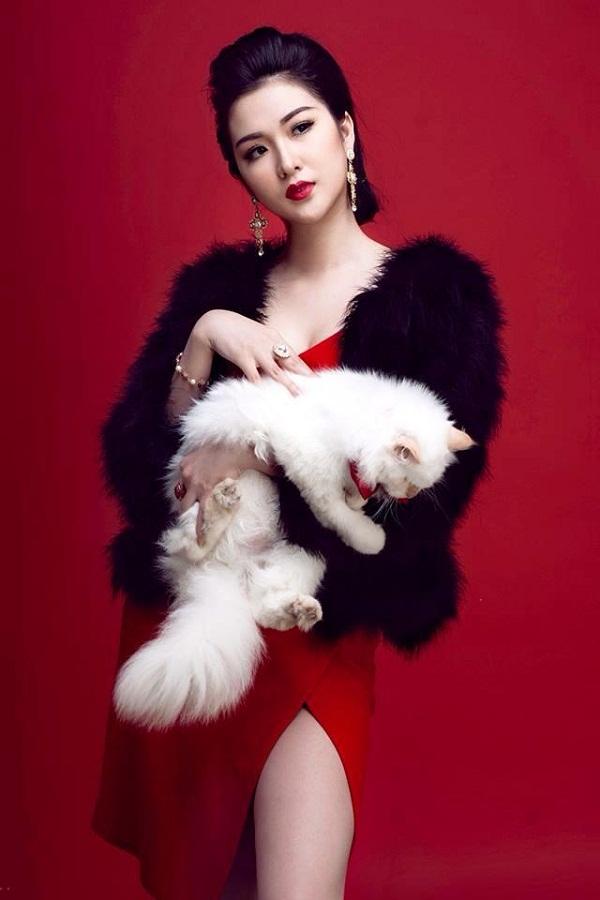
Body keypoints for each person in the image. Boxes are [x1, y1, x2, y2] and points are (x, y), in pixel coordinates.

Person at [92, 26, 507, 900]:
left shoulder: (437, 304)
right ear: (241, 176)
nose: (286, 162)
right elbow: (145, 476)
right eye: (255, 150)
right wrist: (204, 341)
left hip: (316, 632)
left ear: (345, 130)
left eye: (301, 127)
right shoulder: (217, 297)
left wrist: (256, 449)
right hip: (197, 611)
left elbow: (420, 518)